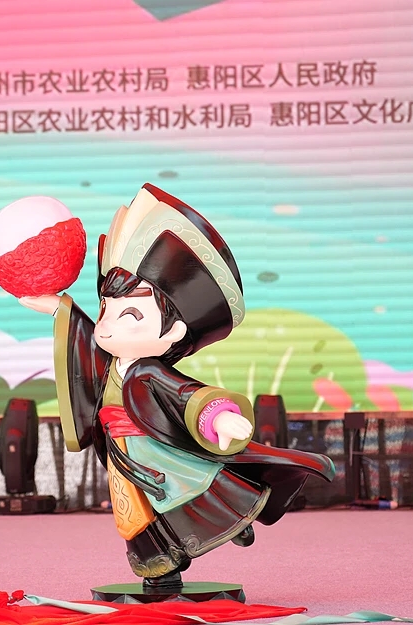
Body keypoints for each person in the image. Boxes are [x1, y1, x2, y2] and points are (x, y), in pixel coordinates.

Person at [20, 183, 335, 591]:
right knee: (135, 514)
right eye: (106, 310)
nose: (107, 326)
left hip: (158, 449)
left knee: (185, 492)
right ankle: (167, 563)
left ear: (174, 332)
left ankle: (219, 526)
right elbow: (85, 341)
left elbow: (188, 395)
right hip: (125, 454)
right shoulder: (113, 363)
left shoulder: (149, 372)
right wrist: (60, 307)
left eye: (129, 316)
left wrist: (218, 417)